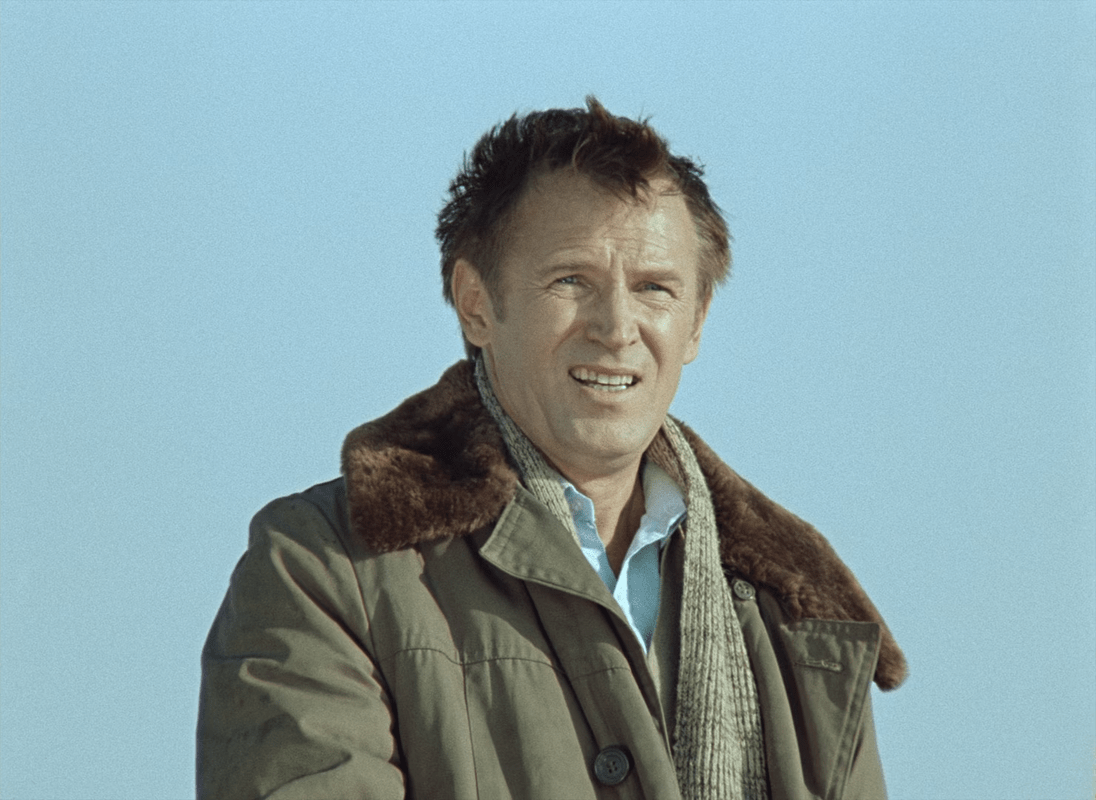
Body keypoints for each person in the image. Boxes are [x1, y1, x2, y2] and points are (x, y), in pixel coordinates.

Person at [197, 97, 906, 800]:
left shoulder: (801, 621)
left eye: (655, 288)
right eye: (572, 281)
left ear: (695, 323)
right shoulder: (324, 568)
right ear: (476, 303)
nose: (617, 327)